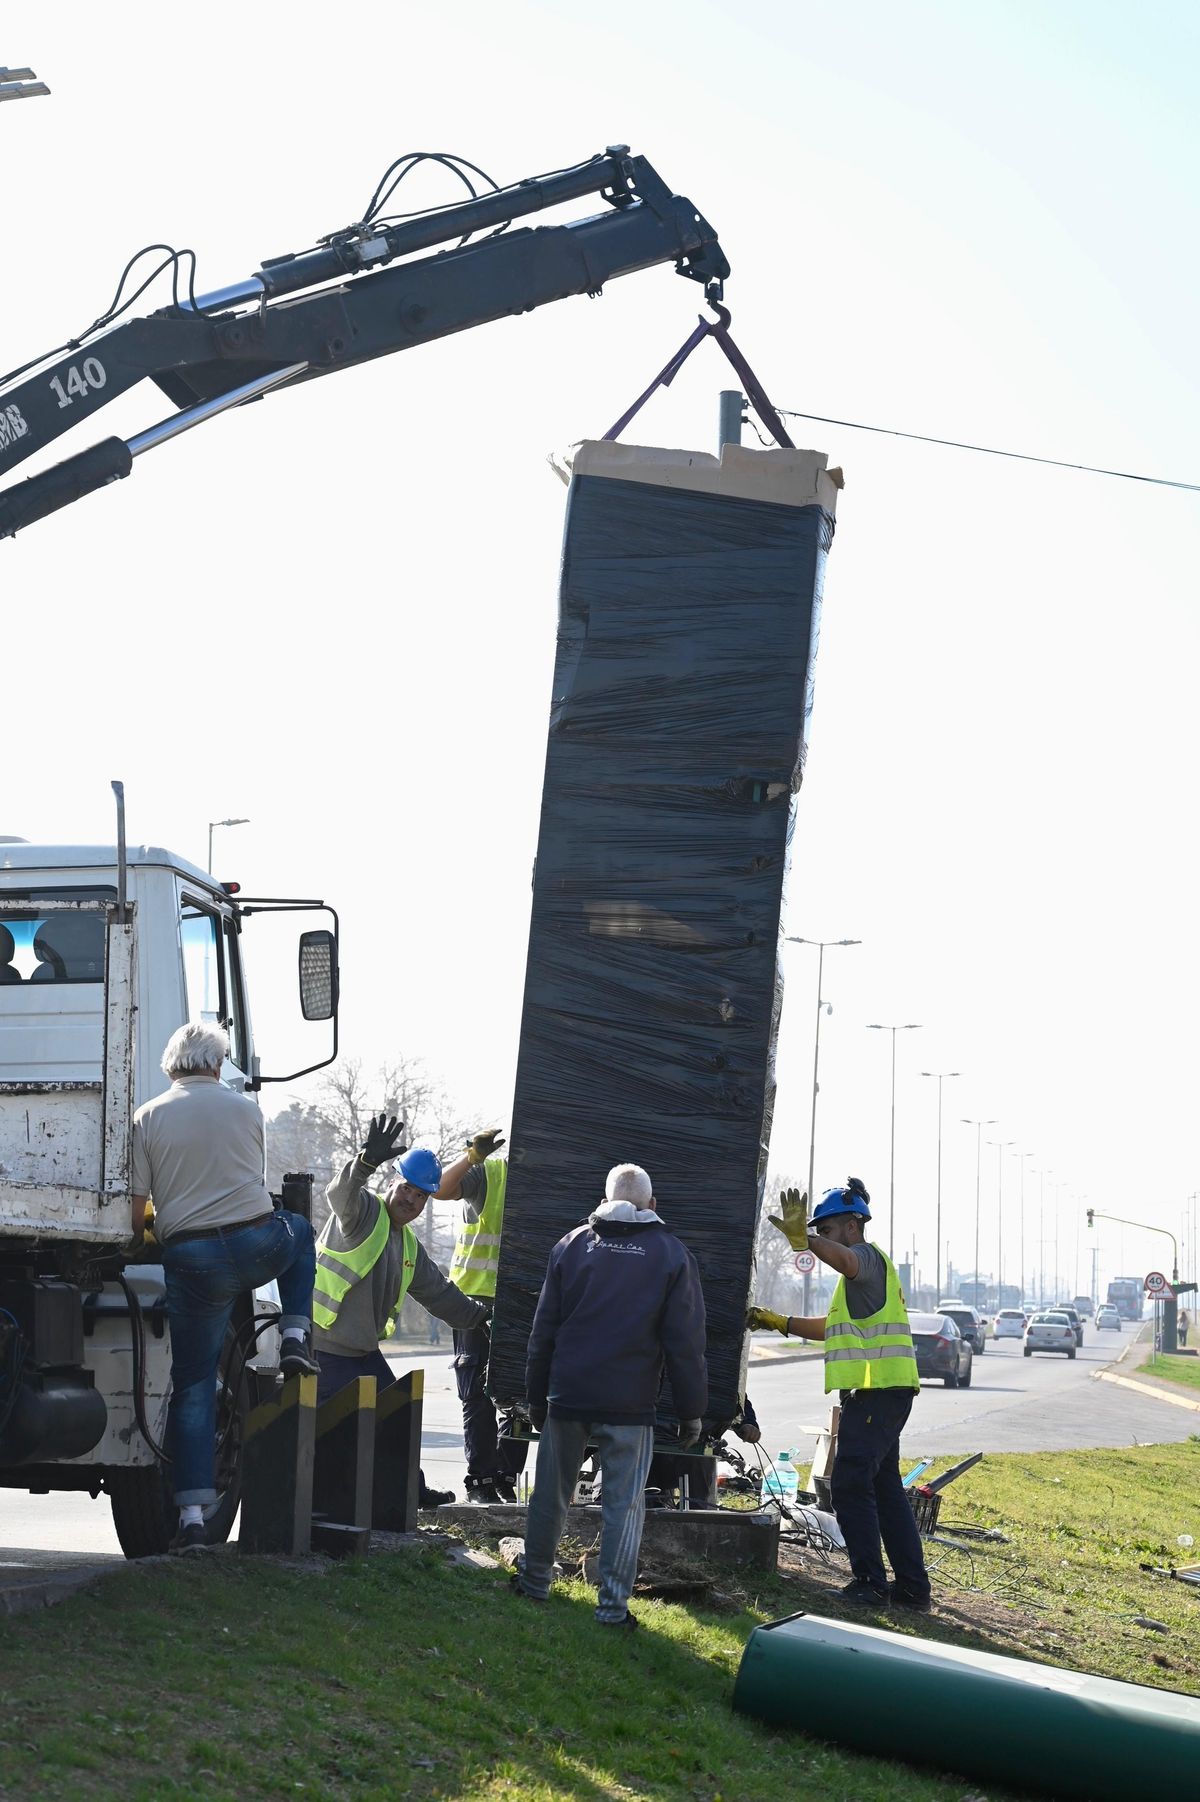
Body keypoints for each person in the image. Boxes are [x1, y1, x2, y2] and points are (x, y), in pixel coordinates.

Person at [131, 1022, 319, 1555]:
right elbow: (249, 1184)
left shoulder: (146, 1117)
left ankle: (192, 1516)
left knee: (193, 1386)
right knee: (301, 1233)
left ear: (172, 1066)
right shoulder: (246, 1110)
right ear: (217, 1065)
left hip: (191, 1261)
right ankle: (294, 1339)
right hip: (256, 1243)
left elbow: (137, 1210)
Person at [512, 1162, 708, 1629]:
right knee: (624, 1506)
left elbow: (543, 1332)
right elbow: (686, 1344)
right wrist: (691, 1412)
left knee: (550, 1495)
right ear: (652, 1205)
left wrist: (536, 1398)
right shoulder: (672, 1254)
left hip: (568, 1394)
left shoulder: (572, 1245)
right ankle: (612, 1609)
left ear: (603, 1201)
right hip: (630, 1403)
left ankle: (535, 1581)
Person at [748, 1177, 931, 1611]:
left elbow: (845, 1259)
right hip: (884, 1393)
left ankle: (869, 1583)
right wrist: (780, 1322)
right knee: (884, 1490)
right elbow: (833, 1330)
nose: (822, 1241)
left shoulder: (863, 1258)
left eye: (827, 1230)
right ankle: (911, 1589)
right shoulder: (860, 1280)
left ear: (852, 1226)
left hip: (875, 1394)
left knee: (850, 1484)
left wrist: (807, 1241)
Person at [312, 1113, 490, 1509]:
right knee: (325, 1434)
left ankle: (410, 1490)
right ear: (393, 1183)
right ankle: (321, 1507)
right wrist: (364, 1162)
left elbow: (441, 1295)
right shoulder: (363, 1213)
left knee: (396, 1417)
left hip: (360, 1353)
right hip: (324, 1350)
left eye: (421, 1195)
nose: (411, 1199)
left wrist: (482, 1318)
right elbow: (338, 1194)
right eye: (407, 1188)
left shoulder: (408, 1246)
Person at [438, 1128, 527, 1503]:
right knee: (477, 1393)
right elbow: (439, 1188)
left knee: (521, 1397)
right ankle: (481, 1480)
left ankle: (503, 1476)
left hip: (525, 1301)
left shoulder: (560, 1177)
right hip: (476, 1298)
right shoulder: (490, 1173)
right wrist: (471, 1157)